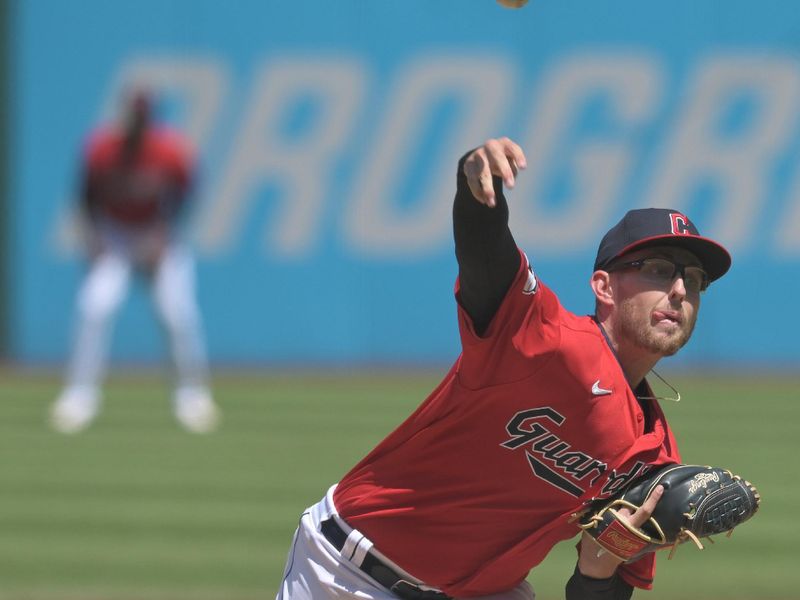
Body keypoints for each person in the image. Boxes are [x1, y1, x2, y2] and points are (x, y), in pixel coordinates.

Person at [276, 137, 732, 600]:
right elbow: (488, 262)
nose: (679, 289)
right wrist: (476, 190)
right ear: (604, 287)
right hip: (350, 575)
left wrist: (602, 564)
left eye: (694, 280)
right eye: (657, 269)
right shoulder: (547, 340)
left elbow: (600, 588)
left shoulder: (654, 459)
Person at [50, 90, 220, 435]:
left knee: (176, 313)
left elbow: (188, 196)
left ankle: (192, 396)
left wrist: (166, 234)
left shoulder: (170, 151)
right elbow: (84, 195)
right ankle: (79, 396)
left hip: (156, 234)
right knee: (94, 306)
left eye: (142, 116)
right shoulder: (101, 149)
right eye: (133, 115)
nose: (137, 122)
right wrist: (94, 237)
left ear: (150, 119)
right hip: (115, 235)